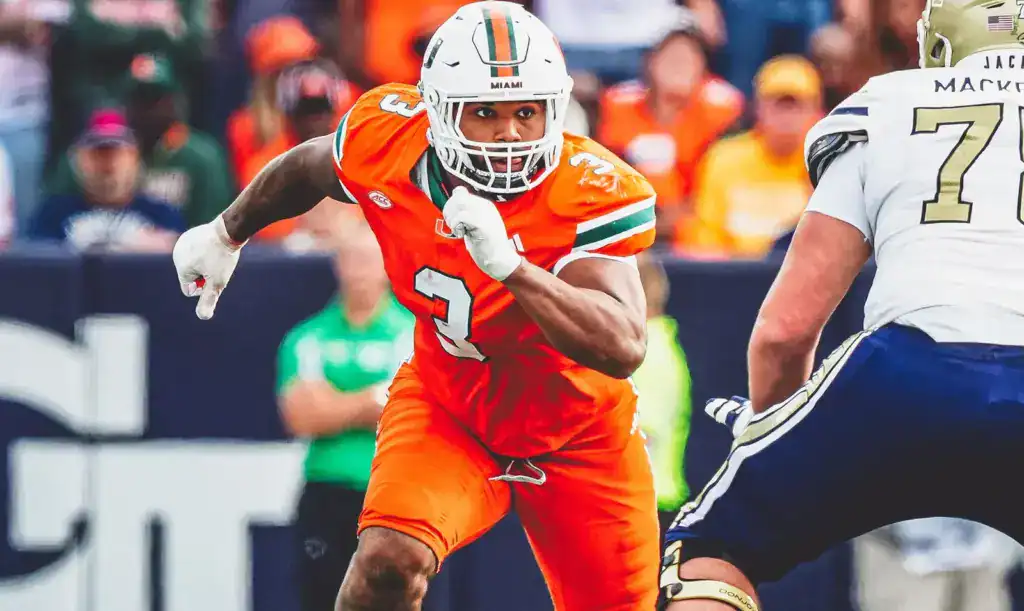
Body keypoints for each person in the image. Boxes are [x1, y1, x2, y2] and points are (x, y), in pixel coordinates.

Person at [171, 3, 660, 609]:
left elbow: (623, 345)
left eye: (526, 112)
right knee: (386, 563)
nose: (510, 132)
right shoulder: (389, 141)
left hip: (579, 433)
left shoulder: (589, 190)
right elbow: (311, 166)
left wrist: (513, 270)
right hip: (450, 405)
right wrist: (227, 231)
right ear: (437, 112)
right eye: (484, 112)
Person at [659, 2, 1024, 609]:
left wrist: (775, 435)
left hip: (907, 373)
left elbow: (786, 329)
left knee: (713, 553)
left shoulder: (887, 103)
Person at [276, 215, 414, 611]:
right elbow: (301, 417)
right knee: (322, 599)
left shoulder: (414, 334)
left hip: (394, 493)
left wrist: (334, 403)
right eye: (351, 258)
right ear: (337, 264)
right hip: (326, 488)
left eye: (369, 259)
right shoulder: (307, 337)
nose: (359, 270)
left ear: (389, 266)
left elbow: (405, 408)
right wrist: (370, 399)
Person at [29, 109, 184, 251]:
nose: (107, 165)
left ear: (134, 159)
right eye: (97, 154)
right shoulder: (53, 215)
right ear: (79, 161)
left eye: (116, 154)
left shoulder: (162, 216)